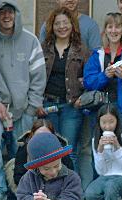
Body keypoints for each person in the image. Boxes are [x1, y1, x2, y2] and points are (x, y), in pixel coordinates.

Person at [0, 0, 46, 200]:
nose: (6, 16)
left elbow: (39, 77)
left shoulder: (30, 41)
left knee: (20, 150)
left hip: (24, 108)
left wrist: (31, 109)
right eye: (1, 12)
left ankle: (19, 190)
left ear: (16, 14)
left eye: (10, 12)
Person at [39, 7, 88, 179]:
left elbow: (89, 78)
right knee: (51, 151)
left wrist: (83, 97)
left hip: (71, 106)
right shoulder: (43, 49)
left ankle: (71, 188)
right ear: (51, 27)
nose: (61, 27)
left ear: (72, 25)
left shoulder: (81, 50)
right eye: (57, 23)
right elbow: (34, 77)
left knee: (69, 151)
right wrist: (36, 102)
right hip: (48, 105)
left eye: (65, 23)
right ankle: (54, 188)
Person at [83, 12, 122, 132]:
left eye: (118, 27)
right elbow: (88, 82)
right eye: (110, 27)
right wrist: (104, 76)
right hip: (99, 108)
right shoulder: (98, 55)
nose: (113, 31)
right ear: (105, 30)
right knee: (99, 142)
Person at [7, 119, 74, 194]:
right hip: (32, 189)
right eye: (38, 136)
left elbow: (70, 174)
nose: (42, 139)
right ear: (32, 136)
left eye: (47, 135)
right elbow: (18, 177)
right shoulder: (24, 148)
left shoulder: (60, 148)